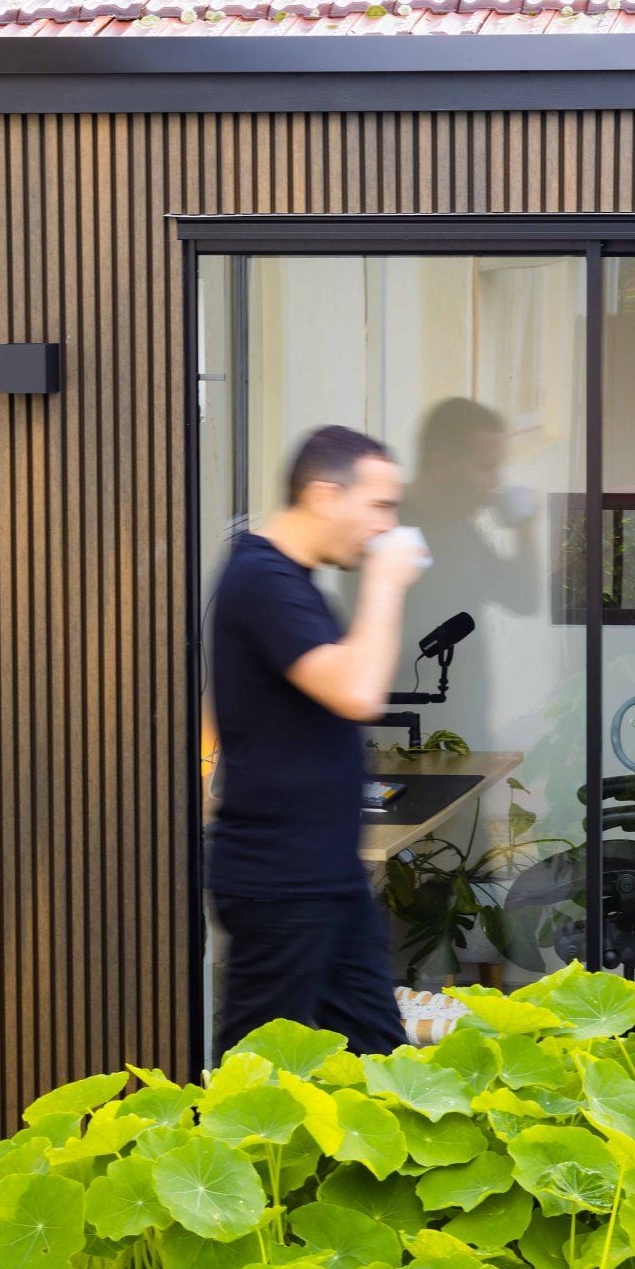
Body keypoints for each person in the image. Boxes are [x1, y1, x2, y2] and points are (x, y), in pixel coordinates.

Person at [205, 424, 427, 1057]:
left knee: (379, 1067)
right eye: (379, 506)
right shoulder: (261, 580)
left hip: (323, 876)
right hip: (281, 882)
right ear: (326, 495)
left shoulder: (293, 584)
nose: (387, 527)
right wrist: (384, 583)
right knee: (255, 1088)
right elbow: (356, 691)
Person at [397, 397, 541, 749]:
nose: (495, 483)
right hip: (406, 744)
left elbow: (522, 599)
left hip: (464, 740)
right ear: (442, 461)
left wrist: (524, 528)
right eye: (485, 467)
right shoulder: (391, 528)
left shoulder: (462, 531)